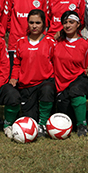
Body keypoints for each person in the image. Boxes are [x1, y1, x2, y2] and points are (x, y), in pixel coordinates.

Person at [5, 9, 56, 138]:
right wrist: (14, 77)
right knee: (29, 119)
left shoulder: (50, 42)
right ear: (27, 23)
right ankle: (9, 124)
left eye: (38, 22)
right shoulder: (20, 42)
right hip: (26, 86)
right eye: (31, 22)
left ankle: (42, 124)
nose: (34, 26)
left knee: (48, 89)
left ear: (44, 24)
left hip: (44, 82)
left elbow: (56, 63)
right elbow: (16, 64)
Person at [52, 11, 88, 136]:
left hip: (78, 80)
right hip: (61, 84)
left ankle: (82, 126)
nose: (68, 25)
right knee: (68, 120)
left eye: (71, 22)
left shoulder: (85, 45)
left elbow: (87, 66)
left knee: (76, 91)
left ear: (78, 24)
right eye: (65, 22)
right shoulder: (56, 43)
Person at [6, 0, 47, 68]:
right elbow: (7, 19)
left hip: (36, 42)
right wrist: (15, 30)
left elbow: (44, 19)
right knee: (15, 75)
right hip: (15, 42)